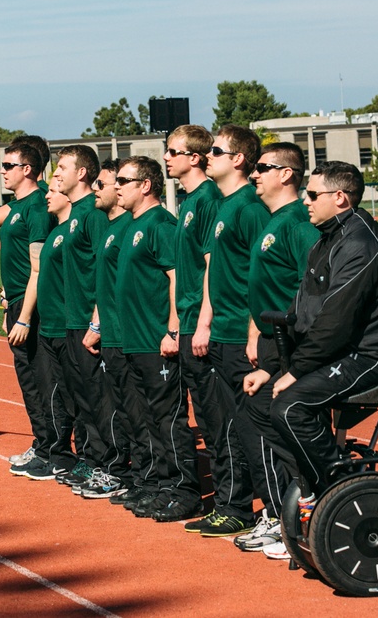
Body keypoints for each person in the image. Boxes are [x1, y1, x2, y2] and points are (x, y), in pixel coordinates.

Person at [261, 160, 378, 556]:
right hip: (340, 353)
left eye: (312, 195)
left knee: (290, 409)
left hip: (368, 358)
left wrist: (294, 372)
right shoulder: (326, 240)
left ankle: (334, 489)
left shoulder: (359, 244)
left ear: (339, 198)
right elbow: (304, 314)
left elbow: (335, 324)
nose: (306, 202)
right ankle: (315, 487)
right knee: (265, 404)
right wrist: (274, 368)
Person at [231, 142, 320, 553]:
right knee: (257, 418)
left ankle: (295, 518)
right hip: (270, 345)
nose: (254, 174)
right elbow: (263, 289)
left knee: (272, 420)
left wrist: (294, 359)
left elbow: (315, 288)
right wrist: (255, 336)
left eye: (263, 168)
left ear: (287, 174)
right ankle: (282, 514)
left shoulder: (296, 224)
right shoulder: (273, 221)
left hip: (291, 346)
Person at [186, 124, 268, 537]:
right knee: (227, 427)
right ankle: (234, 506)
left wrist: (254, 333)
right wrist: (205, 322)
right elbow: (212, 270)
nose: (208, 157)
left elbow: (261, 277)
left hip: (240, 335)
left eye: (215, 151)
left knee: (251, 428)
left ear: (238, 159)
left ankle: (268, 513)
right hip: (220, 332)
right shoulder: (224, 205)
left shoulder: (251, 207)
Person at [114, 156, 202, 522]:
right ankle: (159, 485)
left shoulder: (160, 224)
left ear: (145, 185)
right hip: (133, 340)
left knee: (168, 418)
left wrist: (172, 329)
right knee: (146, 419)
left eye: (123, 179)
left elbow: (175, 277)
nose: (116, 185)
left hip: (156, 340)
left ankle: (184, 490)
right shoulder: (133, 225)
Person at [52, 144, 131, 495]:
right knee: (83, 398)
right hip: (73, 320)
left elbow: (106, 270)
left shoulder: (92, 215)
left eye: (63, 167)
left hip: (88, 321)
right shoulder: (75, 214)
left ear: (81, 173)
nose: (57, 174)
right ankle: (93, 458)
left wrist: (95, 321)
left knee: (100, 399)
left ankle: (110, 464)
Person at [162, 124, 222, 484]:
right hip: (186, 320)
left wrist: (203, 322)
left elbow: (213, 264)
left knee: (214, 417)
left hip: (201, 324)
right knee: (201, 412)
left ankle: (233, 500)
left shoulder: (208, 199)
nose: (166, 158)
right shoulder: (189, 200)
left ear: (194, 157)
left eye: (173, 151)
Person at [80, 159, 141, 501]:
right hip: (113, 335)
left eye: (100, 184)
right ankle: (127, 473)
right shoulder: (110, 228)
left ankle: (131, 475)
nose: (96, 190)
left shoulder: (127, 228)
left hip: (128, 336)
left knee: (135, 412)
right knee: (115, 408)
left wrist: (98, 326)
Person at [0, 142, 55, 478]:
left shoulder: (36, 207)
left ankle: (51, 449)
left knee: (40, 377)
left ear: (27, 170)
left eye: (9, 165)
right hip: (16, 299)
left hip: (30, 305)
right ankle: (43, 442)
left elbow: (38, 267)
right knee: (28, 378)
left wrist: (23, 316)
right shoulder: (17, 205)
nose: (3, 170)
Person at [21, 175, 77, 479]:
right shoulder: (58, 231)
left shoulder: (80, 225)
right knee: (60, 391)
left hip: (73, 325)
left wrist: (23, 317)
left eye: (54, 189)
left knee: (79, 398)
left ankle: (83, 459)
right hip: (53, 325)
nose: (47, 195)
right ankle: (60, 453)